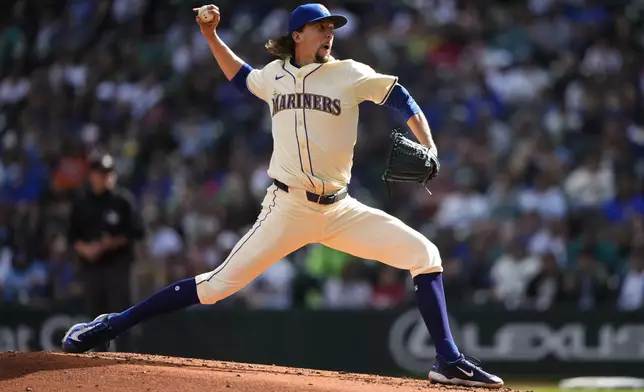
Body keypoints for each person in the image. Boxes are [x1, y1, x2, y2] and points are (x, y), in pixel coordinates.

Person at [62, 4, 503, 387]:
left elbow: (401, 98)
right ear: (298, 35)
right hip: (287, 206)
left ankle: (448, 360)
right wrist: (211, 35)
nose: (330, 34)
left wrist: (428, 144)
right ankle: (112, 325)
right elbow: (241, 77)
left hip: (340, 208)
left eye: (333, 28)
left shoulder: (348, 74)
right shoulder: (274, 76)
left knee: (425, 254)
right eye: (322, 28)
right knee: (215, 287)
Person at [66, 153, 144, 351]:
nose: (106, 177)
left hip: (117, 265)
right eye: (101, 173)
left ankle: (128, 358)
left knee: (123, 311)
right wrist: (86, 249)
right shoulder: (82, 202)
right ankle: (99, 360)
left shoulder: (122, 200)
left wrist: (109, 244)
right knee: (94, 315)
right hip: (91, 266)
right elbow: (71, 236)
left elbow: (136, 232)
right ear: (92, 175)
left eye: (109, 173)